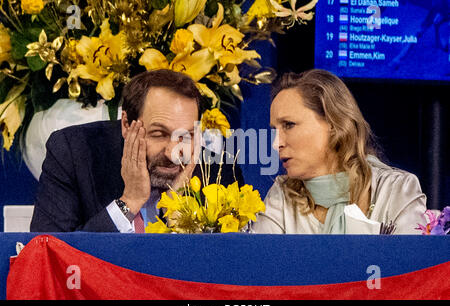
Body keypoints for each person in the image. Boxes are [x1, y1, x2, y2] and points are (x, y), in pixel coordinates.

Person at [30, 69, 244, 232]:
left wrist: (180, 212)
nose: (172, 153)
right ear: (126, 124)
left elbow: (221, 274)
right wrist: (129, 202)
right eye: (159, 134)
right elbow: (49, 257)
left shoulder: (218, 172)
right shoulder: (73, 152)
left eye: (185, 136)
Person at [251, 69, 427, 234]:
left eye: (289, 125)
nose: (276, 144)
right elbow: (259, 263)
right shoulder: (281, 195)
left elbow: (413, 264)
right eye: (275, 130)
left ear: (334, 124)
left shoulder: (396, 189)